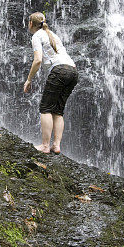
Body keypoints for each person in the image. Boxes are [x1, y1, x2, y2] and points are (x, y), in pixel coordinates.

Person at [23, 12, 78, 154]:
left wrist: (29, 80)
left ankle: (45, 145)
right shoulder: (52, 34)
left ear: (30, 23)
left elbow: (38, 60)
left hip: (59, 71)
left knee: (46, 108)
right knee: (58, 111)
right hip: (72, 71)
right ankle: (56, 145)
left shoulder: (36, 36)